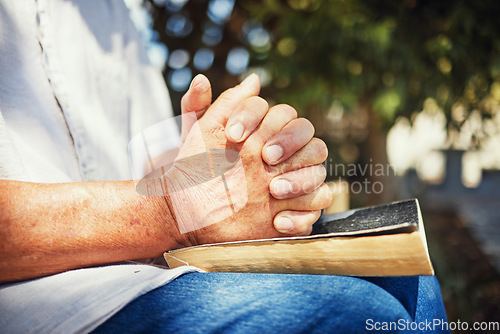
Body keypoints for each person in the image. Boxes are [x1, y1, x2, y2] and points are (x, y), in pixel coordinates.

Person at [0, 1, 449, 333]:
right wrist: (179, 209)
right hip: (43, 305)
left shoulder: (113, 16)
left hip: (146, 268)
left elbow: (148, 170)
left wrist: (249, 175)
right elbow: (167, 207)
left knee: (409, 282)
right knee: (354, 315)